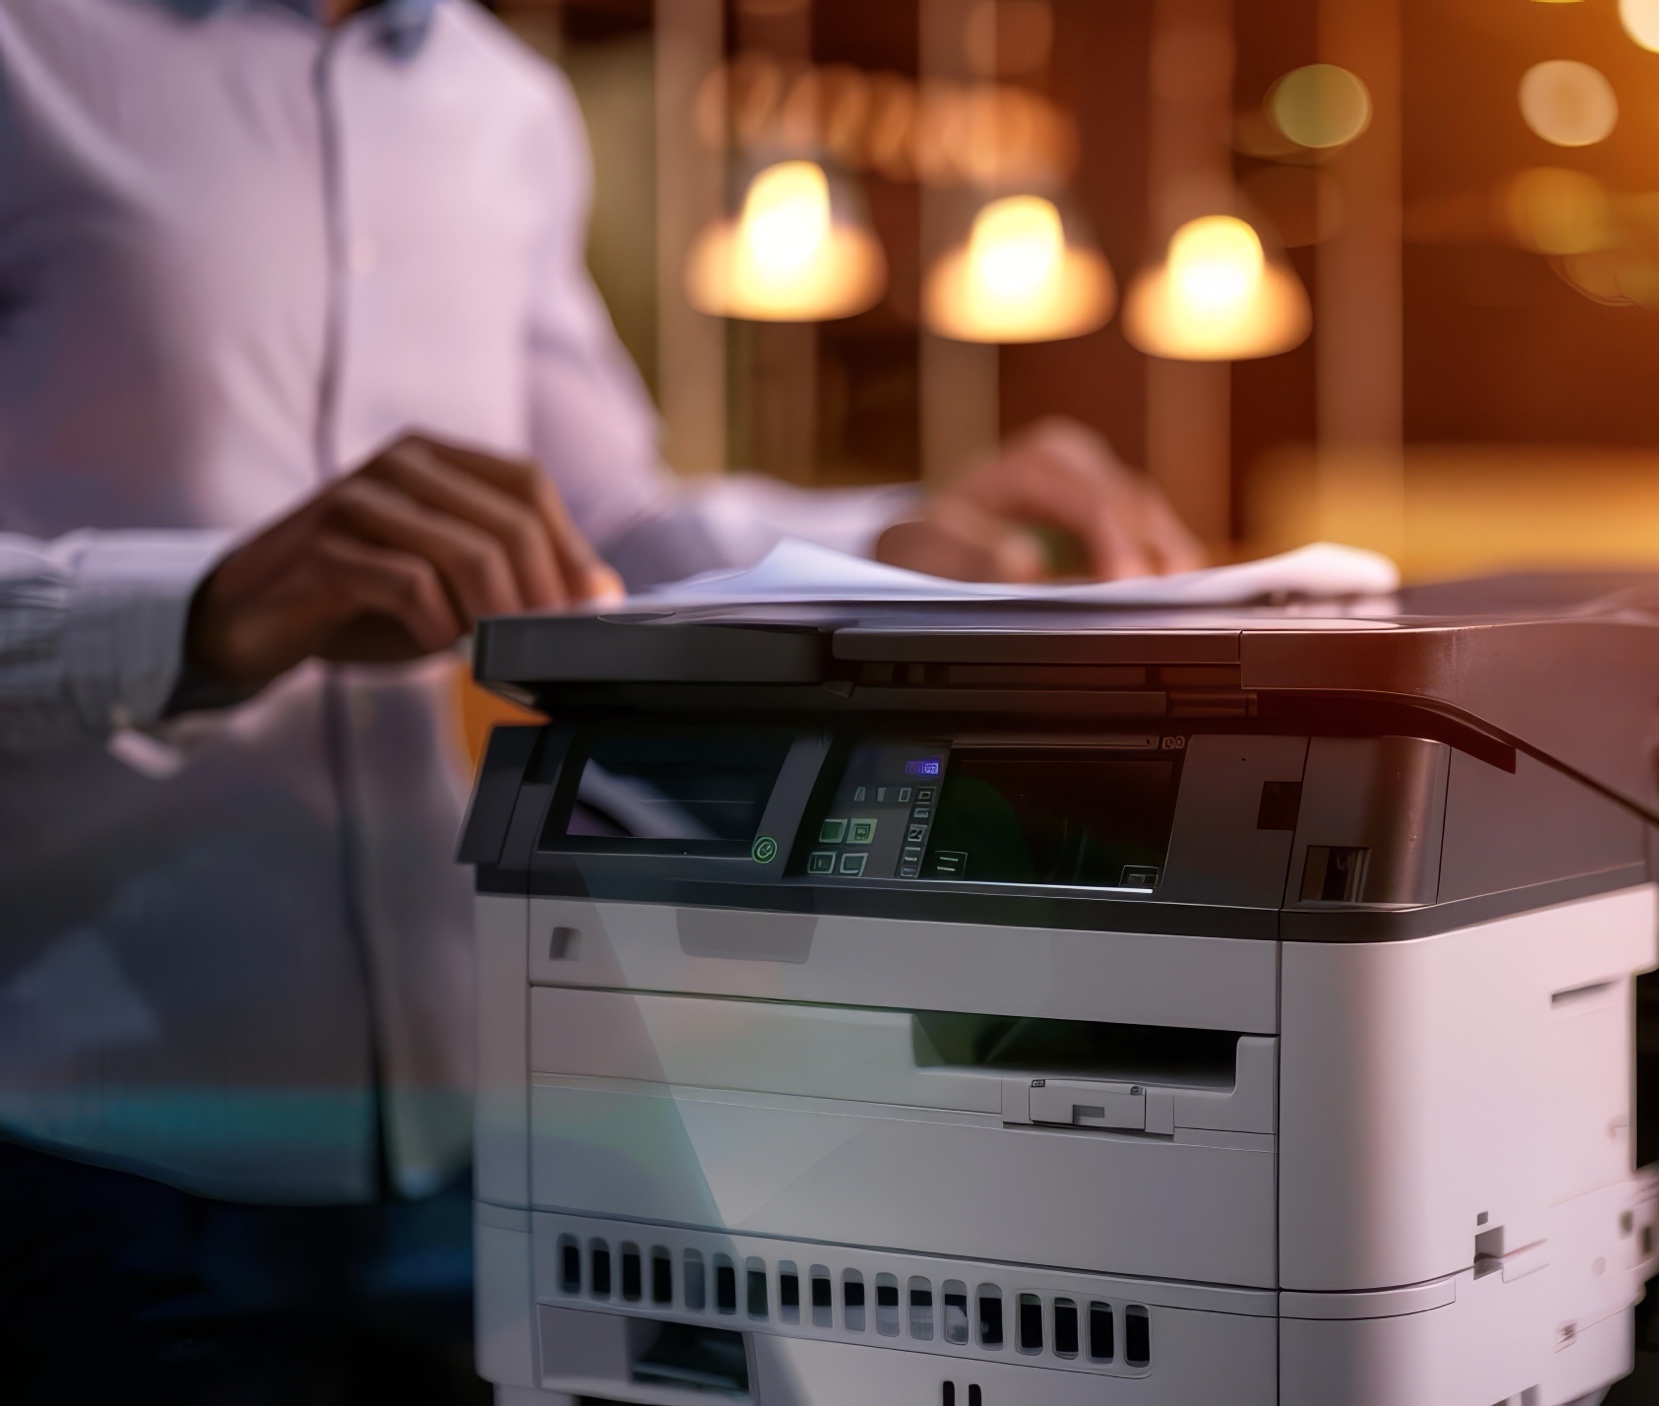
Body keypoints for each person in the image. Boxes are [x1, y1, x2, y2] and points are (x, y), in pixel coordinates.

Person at [0, 0, 1199, 1398]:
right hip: (80, 1144)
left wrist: (897, 542)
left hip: (469, 1135)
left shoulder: (501, 103)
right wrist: (205, 607)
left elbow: (611, 518)